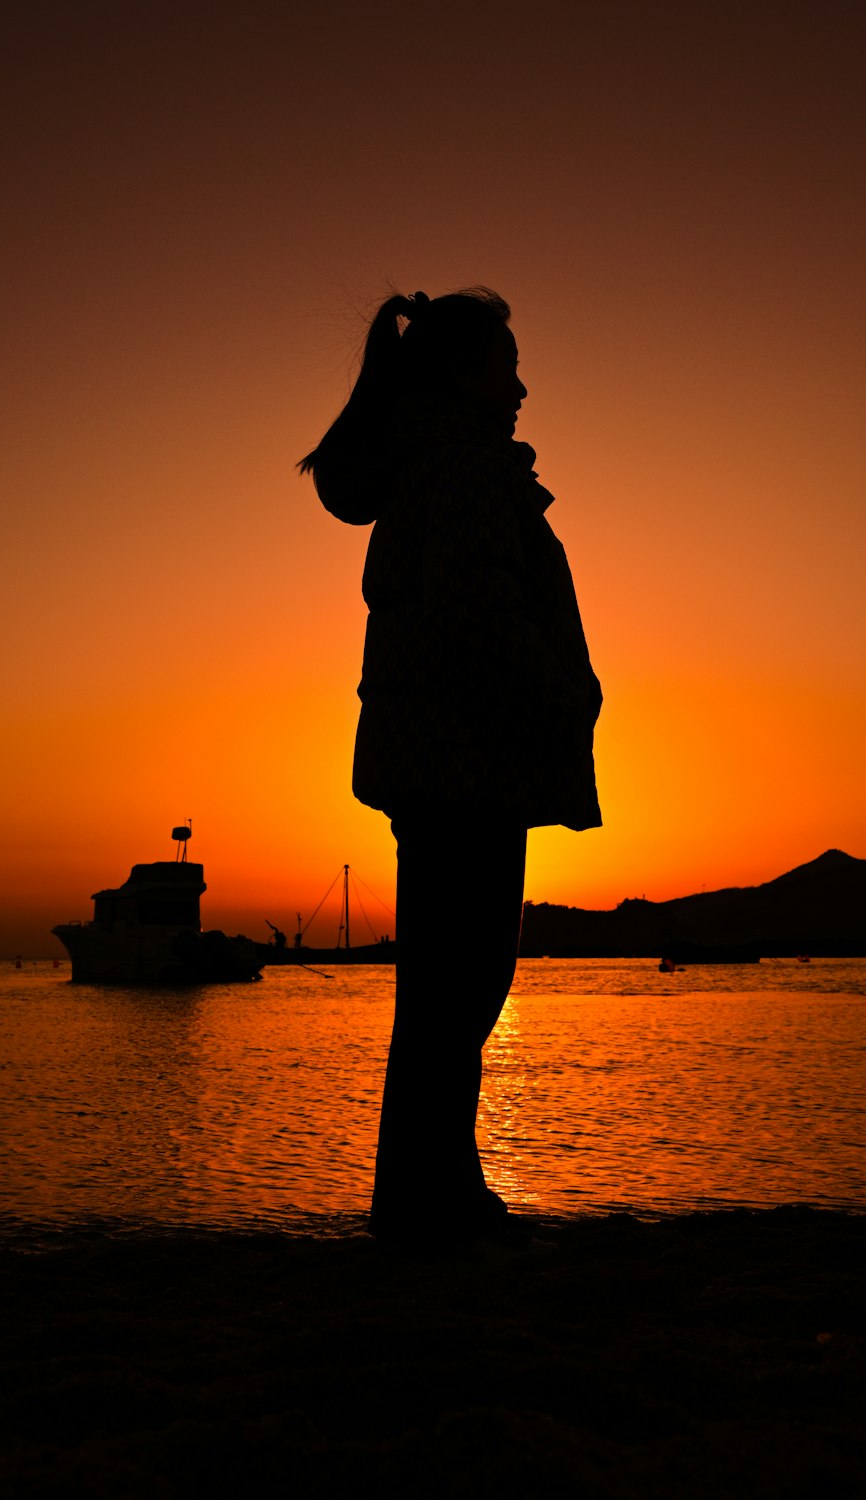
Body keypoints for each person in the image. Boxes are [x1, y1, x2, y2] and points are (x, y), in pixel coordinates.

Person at [301, 287, 601, 1250]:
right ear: (464, 375)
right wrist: (565, 700)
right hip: (463, 765)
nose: (522, 385)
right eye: (505, 364)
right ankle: (431, 1206)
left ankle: (430, 1196)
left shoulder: (438, 469)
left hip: (441, 763)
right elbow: (478, 624)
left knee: (445, 993)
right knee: (460, 990)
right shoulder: (466, 473)